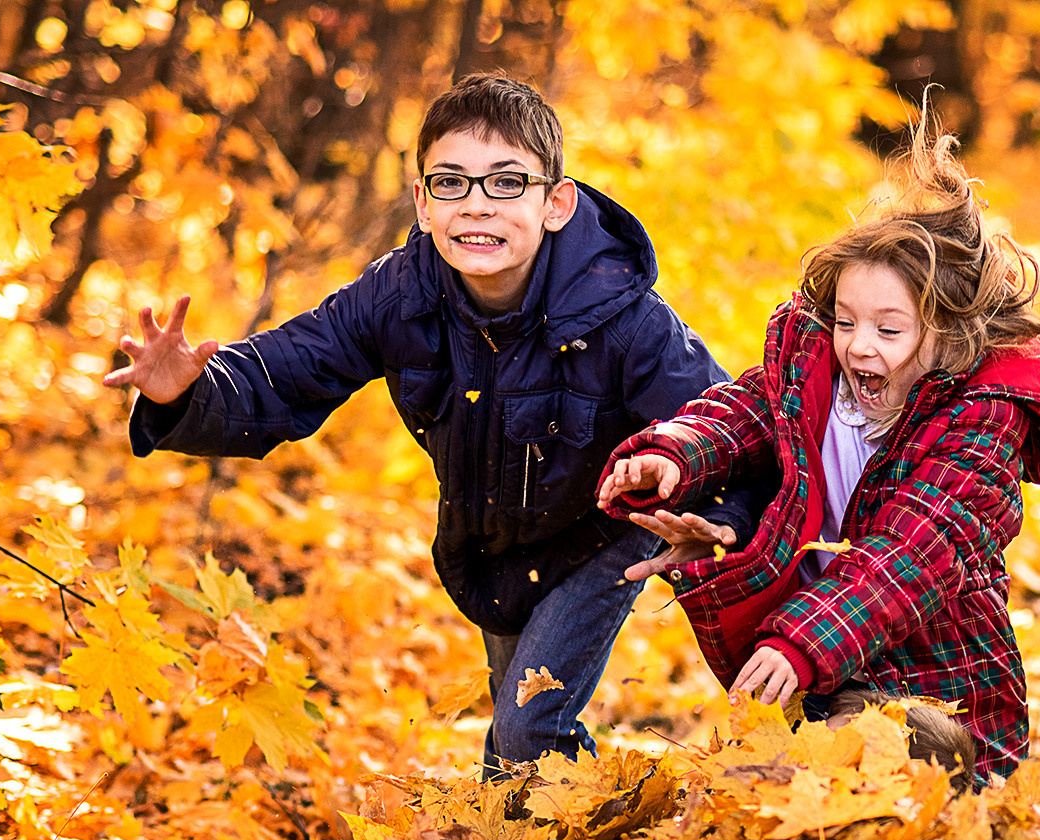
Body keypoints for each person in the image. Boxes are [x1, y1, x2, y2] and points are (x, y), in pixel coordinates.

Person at [105, 72, 744, 775]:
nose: (478, 205)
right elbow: (285, 372)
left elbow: (720, 424)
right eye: (452, 183)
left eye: (507, 183)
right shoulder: (399, 293)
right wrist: (184, 394)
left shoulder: (622, 315)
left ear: (556, 203)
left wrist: (718, 522)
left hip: (604, 530)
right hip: (494, 541)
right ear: (421, 199)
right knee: (511, 749)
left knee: (532, 727)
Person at [596, 119, 1040, 784]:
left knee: (840, 765)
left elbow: (910, 555)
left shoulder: (982, 426)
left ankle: (920, 795)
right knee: (767, 784)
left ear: (949, 337)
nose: (859, 345)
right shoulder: (831, 379)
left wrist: (803, 642)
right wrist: (676, 453)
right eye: (846, 321)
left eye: (889, 328)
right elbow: (749, 410)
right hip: (832, 663)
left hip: (939, 682)